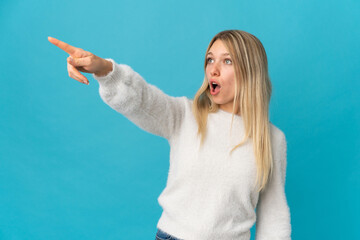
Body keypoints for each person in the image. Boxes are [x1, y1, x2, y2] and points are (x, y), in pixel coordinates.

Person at [48, 30, 291, 240]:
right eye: (210, 60)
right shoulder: (186, 115)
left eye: (227, 61)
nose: (213, 70)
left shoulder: (272, 139)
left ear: (250, 71)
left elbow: (274, 218)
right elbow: (142, 100)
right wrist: (105, 70)